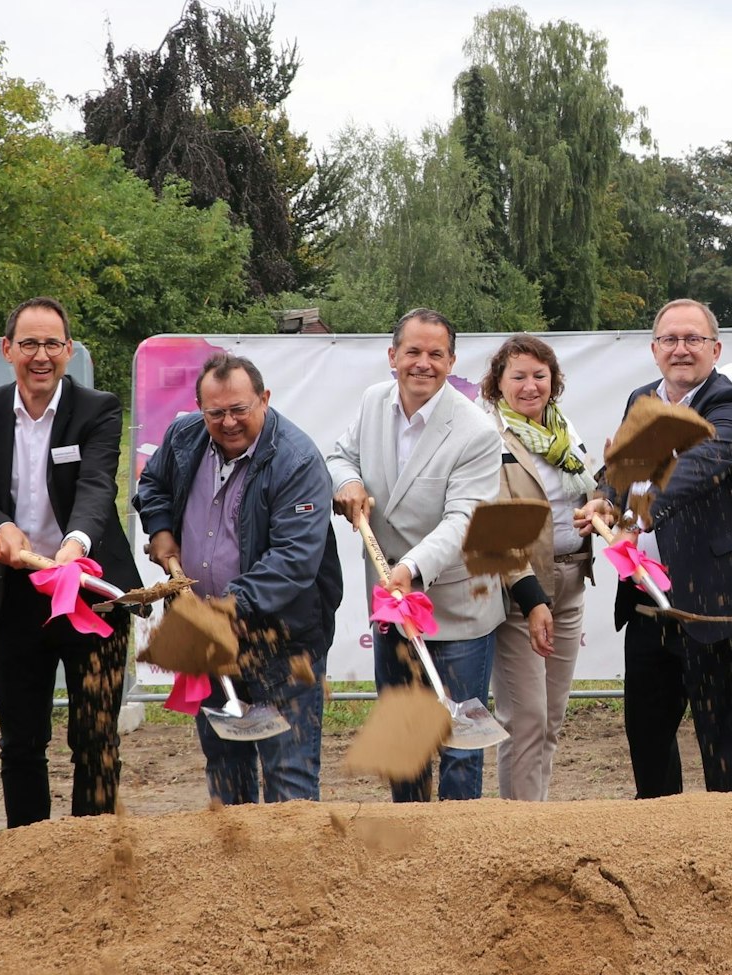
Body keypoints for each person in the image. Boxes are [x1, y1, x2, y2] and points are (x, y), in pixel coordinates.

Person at [0, 297, 138, 827]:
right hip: (17, 596)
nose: (41, 356)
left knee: (95, 739)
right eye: (30, 344)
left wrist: (74, 546)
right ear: (7, 349)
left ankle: (93, 854)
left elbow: (97, 485)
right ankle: (29, 853)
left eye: (53, 344)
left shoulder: (98, 408)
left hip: (92, 592)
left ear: (69, 349)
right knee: (20, 742)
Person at [575, 298, 732, 798]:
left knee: (722, 741)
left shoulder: (731, 406)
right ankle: (656, 834)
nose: (681, 349)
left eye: (693, 339)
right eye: (670, 340)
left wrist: (637, 515)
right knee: (648, 737)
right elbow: (622, 471)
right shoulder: (642, 400)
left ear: (715, 349)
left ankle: (731, 836)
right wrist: (606, 499)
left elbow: (697, 466)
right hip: (645, 598)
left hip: (714, 600)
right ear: (654, 348)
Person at [134, 353, 342, 804]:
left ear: (264, 399)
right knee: (226, 768)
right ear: (199, 408)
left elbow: (294, 558)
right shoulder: (184, 436)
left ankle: (292, 853)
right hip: (208, 639)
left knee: (289, 777)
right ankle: (233, 852)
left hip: (282, 641)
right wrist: (162, 530)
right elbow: (153, 486)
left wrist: (227, 607)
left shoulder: (297, 460)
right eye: (216, 413)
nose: (228, 422)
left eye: (239, 410)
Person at [328, 308, 504, 801]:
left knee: (460, 743)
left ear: (451, 362)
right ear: (393, 356)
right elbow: (341, 456)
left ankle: (455, 840)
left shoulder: (476, 432)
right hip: (391, 605)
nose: (423, 363)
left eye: (435, 354)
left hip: (456, 607)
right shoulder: (373, 402)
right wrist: (349, 482)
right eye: (413, 352)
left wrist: (409, 568)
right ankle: (409, 835)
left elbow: (464, 521)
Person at [482, 333, 595, 801]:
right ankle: (519, 831)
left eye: (540, 376)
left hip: (571, 584)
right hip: (521, 595)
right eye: (518, 377)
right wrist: (531, 599)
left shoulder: (564, 430)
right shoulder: (487, 437)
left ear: (554, 380)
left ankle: (537, 819)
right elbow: (494, 525)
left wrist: (602, 506)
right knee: (525, 721)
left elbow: (588, 490)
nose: (530, 386)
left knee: (550, 719)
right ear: (498, 383)